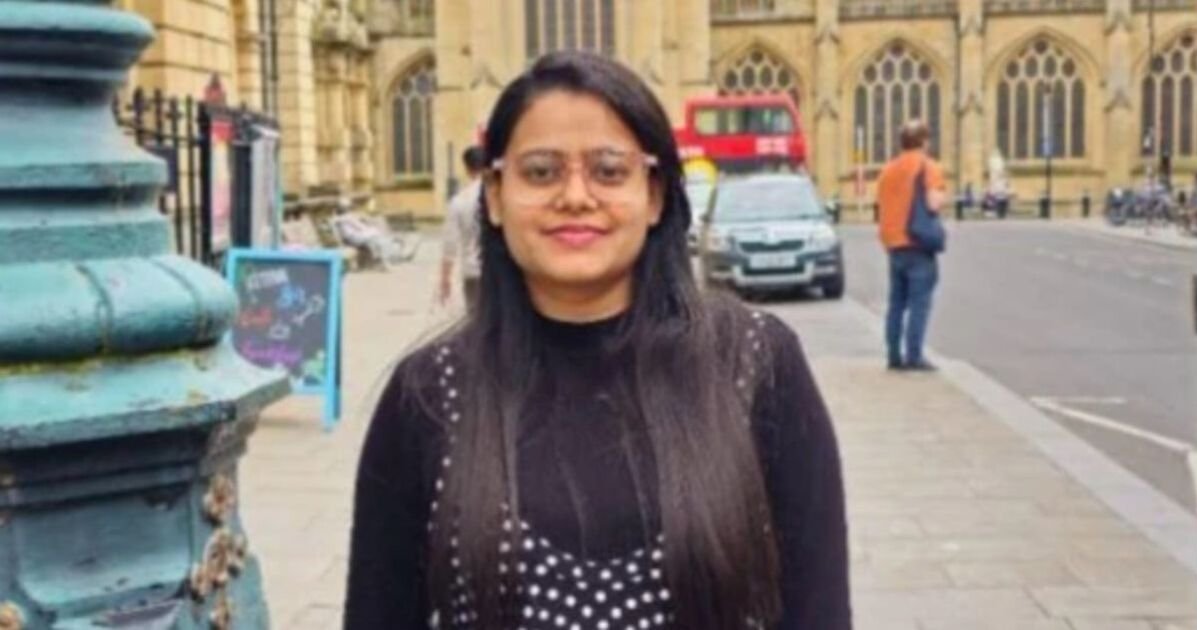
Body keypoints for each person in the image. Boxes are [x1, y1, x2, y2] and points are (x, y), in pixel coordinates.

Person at [345, 51, 850, 629]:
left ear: (654, 194)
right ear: (495, 194)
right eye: (541, 172)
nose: (576, 196)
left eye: (609, 171)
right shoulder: (430, 392)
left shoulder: (755, 364)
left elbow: (819, 614)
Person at [876, 120, 946, 371]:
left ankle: (894, 356)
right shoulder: (928, 167)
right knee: (919, 304)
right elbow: (934, 203)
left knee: (896, 303)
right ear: (924, 141)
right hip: (918, 243)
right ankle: (914, 356)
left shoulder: (887, 171)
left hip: (894, 245)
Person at [440, 146, 488, 310]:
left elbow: (450, 245)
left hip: (472, 271)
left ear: (467, 169)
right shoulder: (501, 195)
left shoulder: (459, 201)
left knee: (476, 320)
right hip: (500, 271)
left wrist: (445, 279)